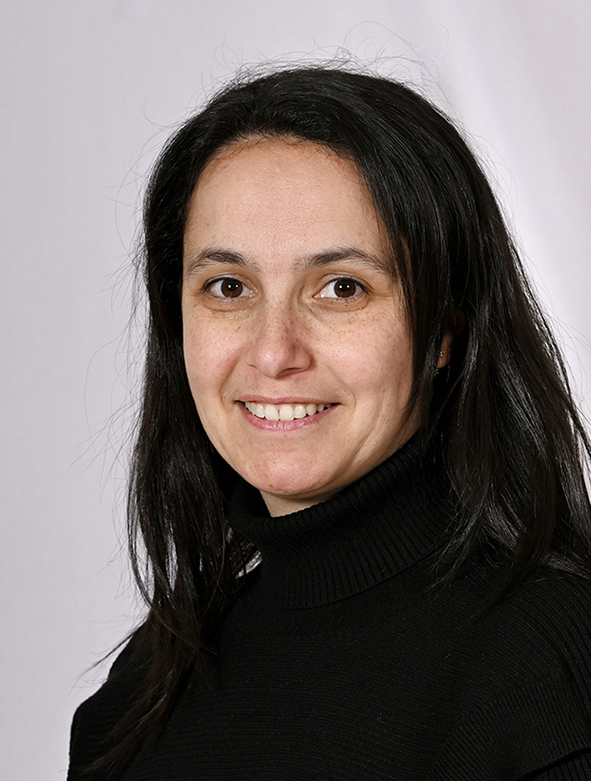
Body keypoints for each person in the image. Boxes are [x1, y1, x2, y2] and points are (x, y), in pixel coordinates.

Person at [68, 66, 591, 780]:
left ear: (444, 329)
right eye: (228, 287)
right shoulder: (141, 694)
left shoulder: (553, 668)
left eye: (342, 288)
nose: (273, 351)